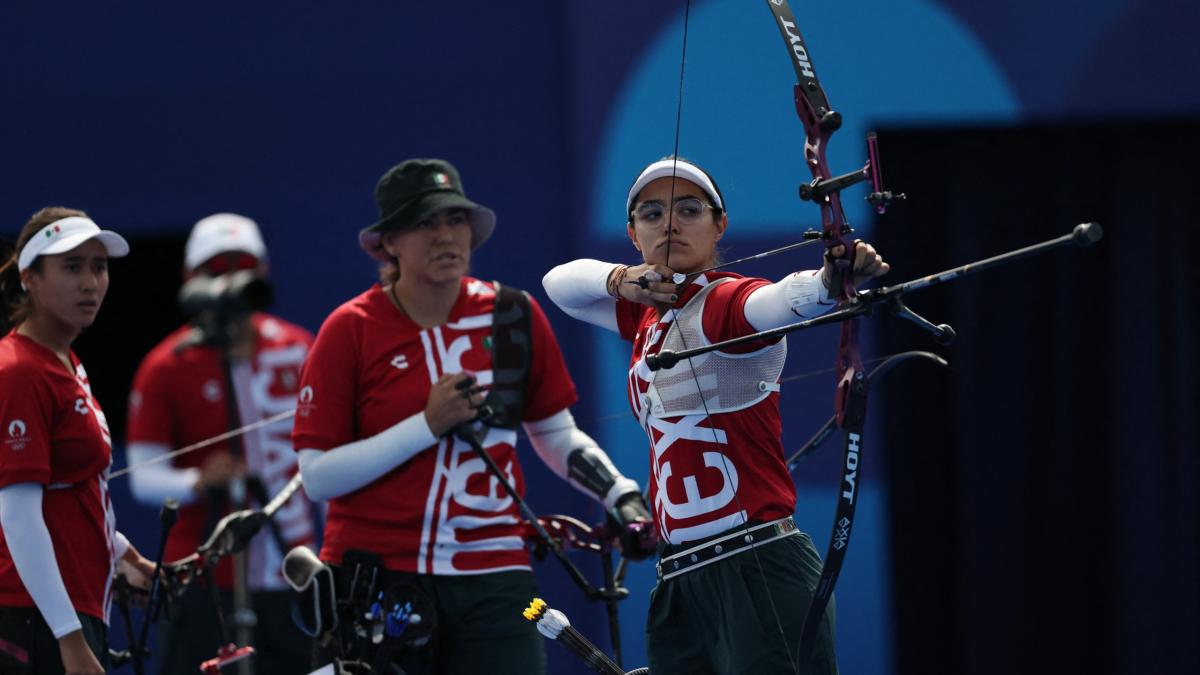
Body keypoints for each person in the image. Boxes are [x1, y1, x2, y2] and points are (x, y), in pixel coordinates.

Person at [292, 158, 653, 674]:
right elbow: (317, 477)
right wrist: (426, 425)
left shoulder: (513, 314)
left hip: (497, 577)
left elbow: (554, 433)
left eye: (456, 220)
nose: (445, 236)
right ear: (389, 242)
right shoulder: (350, 328)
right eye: (424, 223)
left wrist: (620, 495)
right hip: (378, 579)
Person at [541, 157, 890, 675]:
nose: (670, 223)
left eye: (689, 209)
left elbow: (775, 302)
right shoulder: (646, 315)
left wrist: (827, 281)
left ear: (719, 224)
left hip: (757, 570)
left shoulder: (725, 301)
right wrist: (621, 279)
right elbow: (558, 284)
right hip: (678, 582)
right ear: (633, 234)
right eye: (652, 213)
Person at [125, 213, 317, 674]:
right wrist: (197, 479)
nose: (232, 280)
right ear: (191, 281)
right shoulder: (167, 366)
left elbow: (326, 460)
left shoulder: (300, 348)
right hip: (205, 576)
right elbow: (142, 476)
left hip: (292, 567)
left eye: (244, 266)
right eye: (217, 270)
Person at [0, 207, 156, 674]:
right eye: (71, 267)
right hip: (32, 619)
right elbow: (19, 517)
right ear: (30, 278)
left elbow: (69, 492)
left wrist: (121, 553)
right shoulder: (18, 371)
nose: (90, 283)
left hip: (68, 610)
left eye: (99, 267)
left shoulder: (67, 363)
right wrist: (70, 642)